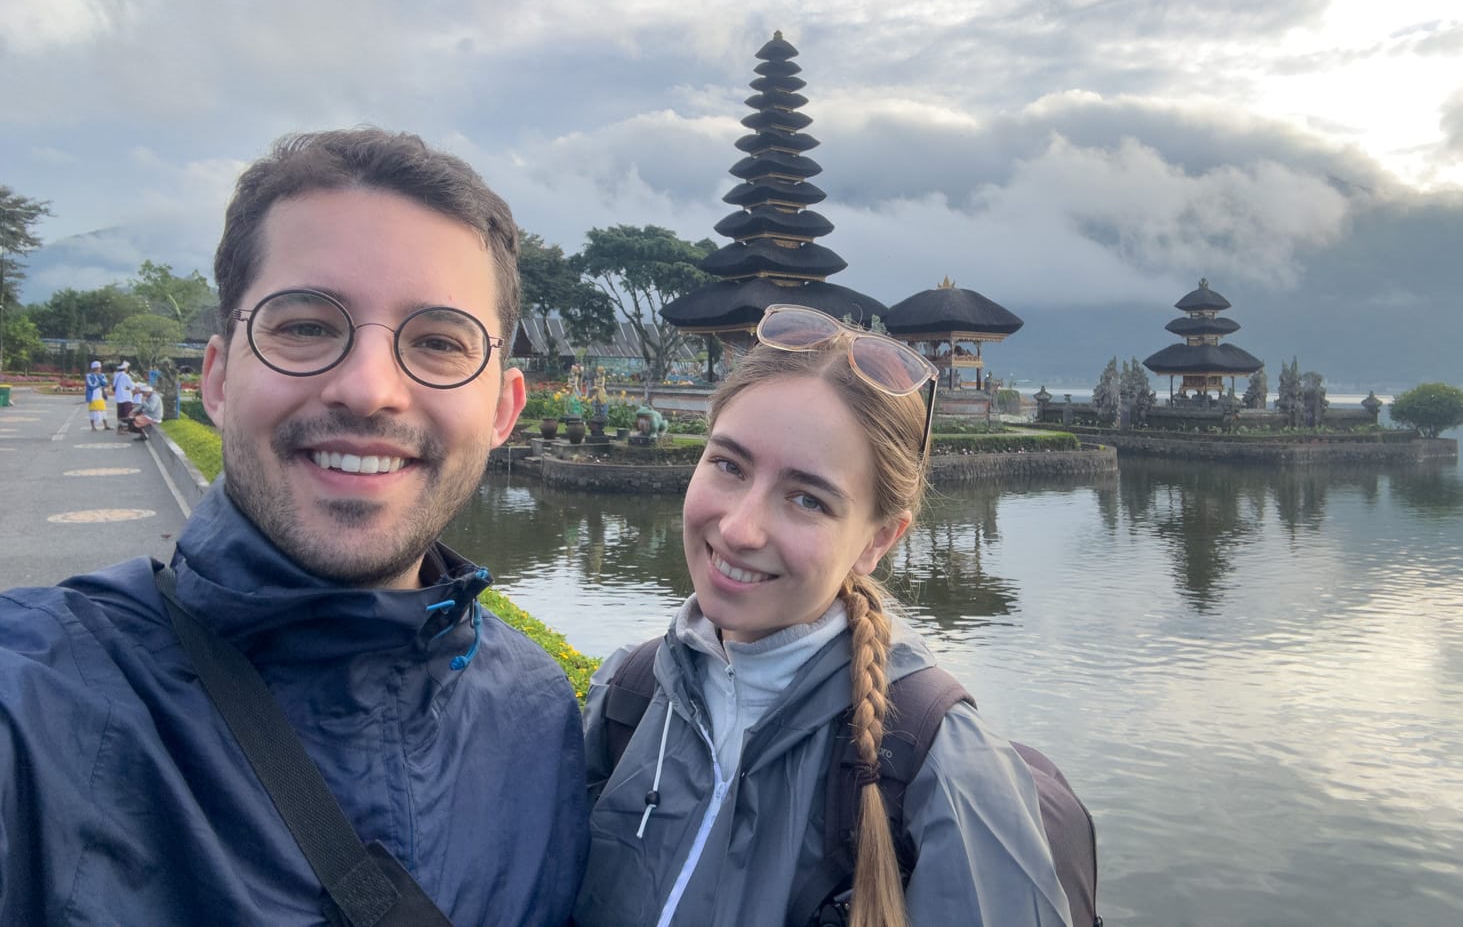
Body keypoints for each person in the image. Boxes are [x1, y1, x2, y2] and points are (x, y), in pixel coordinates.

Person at [0, 129, 588, 924]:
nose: (370, 388)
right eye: (306, 325)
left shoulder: (535, 712)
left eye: (440, 342)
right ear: (216, 377)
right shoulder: (39, 698)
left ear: (503, 409)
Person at [573, 305, 1077, 927]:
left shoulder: (945, 773)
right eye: (728, 465)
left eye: (807, 499)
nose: (738, 528)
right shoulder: (630, 693)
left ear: (877, 541)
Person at [111, 359, 136, 432]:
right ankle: (125, 429)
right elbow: (132, 387)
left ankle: (120, 428)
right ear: (125, 368)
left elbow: (114, 386)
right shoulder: (126, 376)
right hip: (126, 397)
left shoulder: (116, 375)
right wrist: (129, 388)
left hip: (119, 398)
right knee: (127, 414)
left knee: (120, 414)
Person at [84, 360, 108, 430]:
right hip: (93, 396)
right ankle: (93, 426)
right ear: (94, 369)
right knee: (93, 411)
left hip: (100, 395)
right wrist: (98, 382)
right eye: (97, 368)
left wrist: (99, 378)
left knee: (103, 410)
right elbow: (91, 386)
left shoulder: (102, 375)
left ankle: (106, 425)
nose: (99, 370)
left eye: (99, 368)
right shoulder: (89, 376)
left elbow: (105, 383)